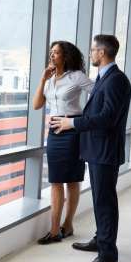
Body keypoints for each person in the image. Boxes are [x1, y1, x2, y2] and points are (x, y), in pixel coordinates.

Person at [50, 34, 131, 262]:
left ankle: (107, 256)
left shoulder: (115, 80)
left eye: (94, 50)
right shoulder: (106, 78)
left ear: (102, 53)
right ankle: (101, 240)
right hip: (98, 150)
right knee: (100, 200)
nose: (91, 53)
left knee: (105, 202)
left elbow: (107, 118)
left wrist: (72, 124)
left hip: (104, 151)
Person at [33, 41, 95, 245]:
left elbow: (99, 93)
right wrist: (43, 79)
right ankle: (54, 230)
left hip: (72, 131)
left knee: (72, 180)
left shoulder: (76, 76)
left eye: (57, 52)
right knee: (56, 180)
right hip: (54, 133)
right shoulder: (50, 80)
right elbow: (36, 105)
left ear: (66, 56)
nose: (52, 55)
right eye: (51, 52)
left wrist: (79, 120)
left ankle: (67, 225)